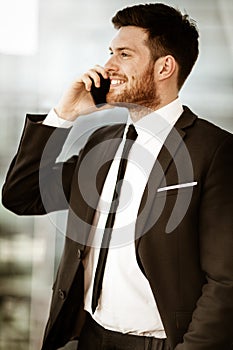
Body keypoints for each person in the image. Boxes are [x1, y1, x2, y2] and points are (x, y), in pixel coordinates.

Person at [2, 3, 233, 350]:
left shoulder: (214, 150)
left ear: (164, 66)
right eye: (110, 52)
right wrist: (63, 115)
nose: (108, 66)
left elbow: (225, 281)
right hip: (88, 338)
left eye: (124, 54)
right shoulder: (103, 142)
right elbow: (21, 195)